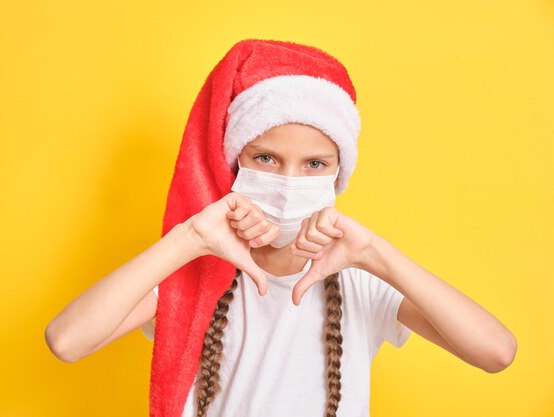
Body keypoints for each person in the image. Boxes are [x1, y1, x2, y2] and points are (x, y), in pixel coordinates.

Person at [45, 39, 517, 417]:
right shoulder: (192, 272)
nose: (290, 181)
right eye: (266, 158)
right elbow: (67, 341)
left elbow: (495, 352)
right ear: (234, 164)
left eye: (315, 163)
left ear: (338, 173)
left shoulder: (360, 278)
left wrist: (374, 252)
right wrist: (190, 239)